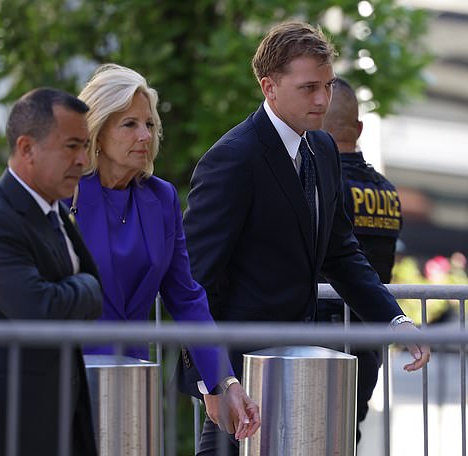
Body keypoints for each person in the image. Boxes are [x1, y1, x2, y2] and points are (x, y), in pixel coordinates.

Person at [182, 21, 430, 454]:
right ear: (269, 87)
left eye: (328, 86)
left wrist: (396, 320)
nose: (322, 99)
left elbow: (343, 253)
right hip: (241, 373)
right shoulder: (232, 159)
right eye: (309, 87)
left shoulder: (323, 149)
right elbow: (197, 279)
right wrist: (214, 380)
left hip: (298, 367)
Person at [69, 63, 260, 440]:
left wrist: (224, 381)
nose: (144, 135)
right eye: (129, 124)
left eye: (150, 125)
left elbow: (186, 297)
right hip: (68, 379)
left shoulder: (161, 197)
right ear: (98, 131)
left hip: (132, 377)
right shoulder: (64, 192)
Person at [0, 88, 103, 456]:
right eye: (71, 146)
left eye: (86, 146)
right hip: (3, 425)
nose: (83, 160)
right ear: (27, 148)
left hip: (56, 418)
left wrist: (80, 289)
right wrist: (83, 288)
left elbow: (95, 293)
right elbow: (41, 309)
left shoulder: (53, 210)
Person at [316, 77, 403, 443]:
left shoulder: (323, 184)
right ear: (360, 128)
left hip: (320, 336)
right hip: (367, 342)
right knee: (346, 438)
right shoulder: (387, 191)